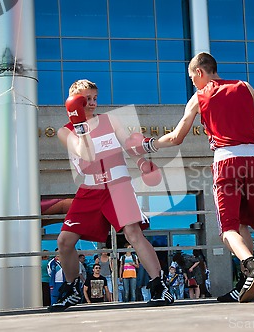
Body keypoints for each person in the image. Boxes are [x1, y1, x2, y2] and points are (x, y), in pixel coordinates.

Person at [125, 52, 254, 303]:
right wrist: (241, 126)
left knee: (227, 230)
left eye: (192, 78)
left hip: (227, 160)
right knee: (243, 224)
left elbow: (176, 137)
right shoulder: (245, 86)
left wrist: (147, 146)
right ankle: (247, 285)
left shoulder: (200, 96)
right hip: (253, 159)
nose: (193, 82)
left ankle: (252, 266)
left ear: (200, 72)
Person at [49, 79, 173, 311]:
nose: (93, 103)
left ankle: (159, 286)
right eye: (87, 98)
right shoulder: (65, 131)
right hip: (89, 189)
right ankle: (72, 288)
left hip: (118, 184)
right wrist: (79, 125)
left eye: (95, 98)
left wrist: (142, 162)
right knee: (64, 242)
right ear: (74, 101)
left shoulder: (110, 120)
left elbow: (129, 145)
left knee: (133, 232)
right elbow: (86, 154)